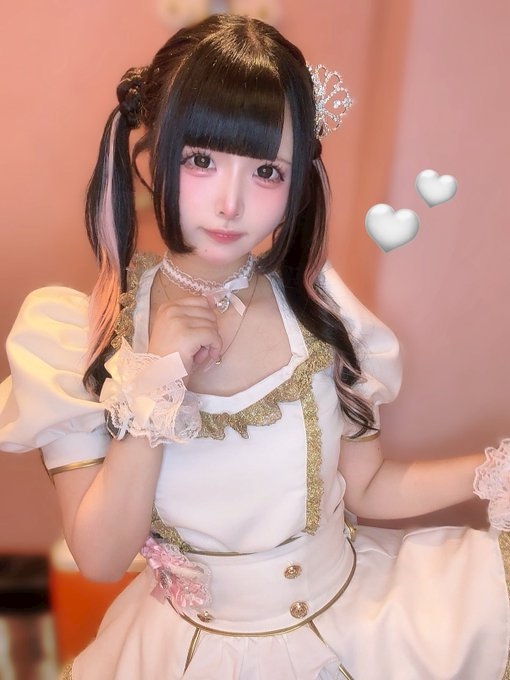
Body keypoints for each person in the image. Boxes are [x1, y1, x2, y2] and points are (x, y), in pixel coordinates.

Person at [0, 12, 508, 680]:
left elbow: (368, 485)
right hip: (187, 654)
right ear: (151, 156)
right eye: (201, 160)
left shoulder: (320, 308)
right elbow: (99, 557)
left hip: (357, 627)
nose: (230, 204)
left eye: (267, 171)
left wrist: (493, 472)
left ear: (299, 182)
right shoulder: (84, 332)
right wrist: (157, 376)